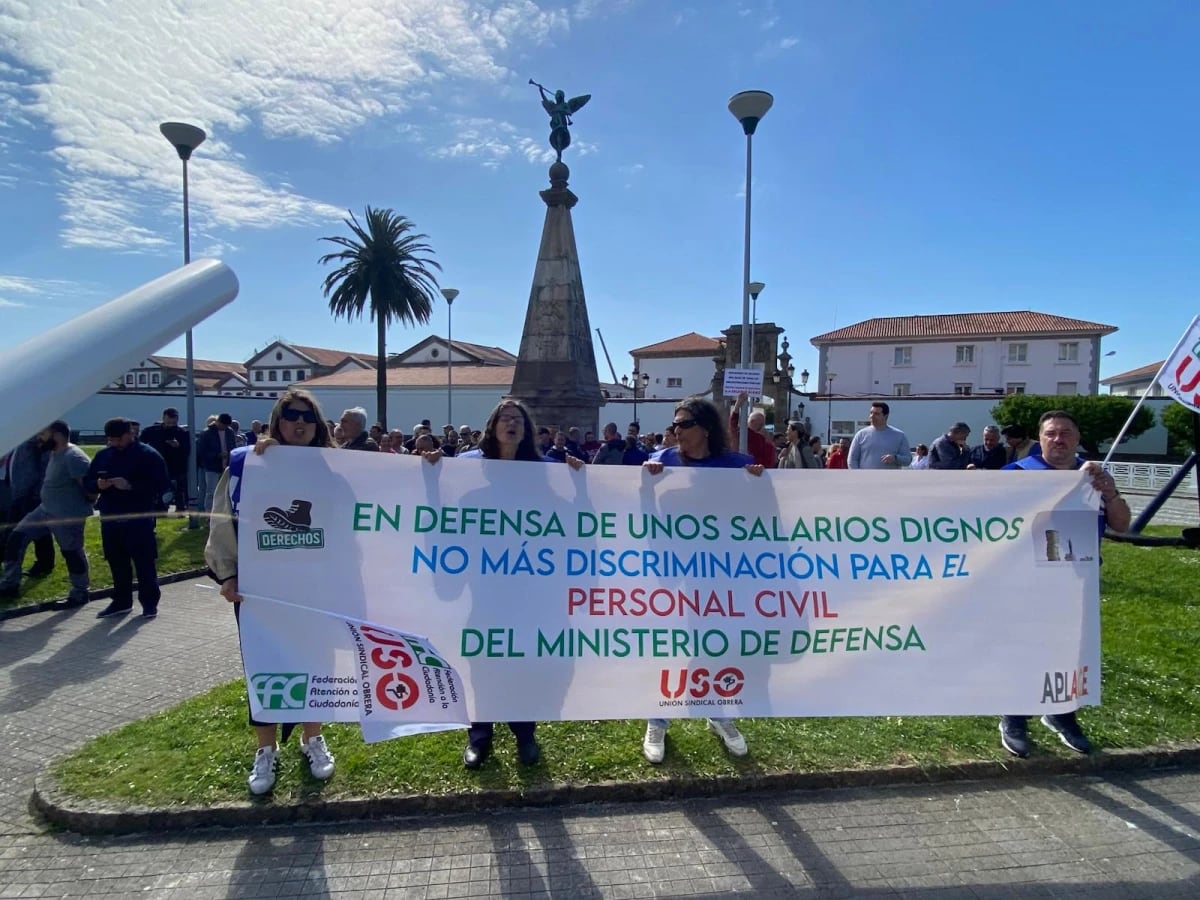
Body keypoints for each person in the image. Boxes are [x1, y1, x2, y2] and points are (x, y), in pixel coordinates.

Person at [204, 389, 339, 795]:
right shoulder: (247, 463)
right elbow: (222, 519)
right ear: (278, 420)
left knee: (315, 662)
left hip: (317, 586)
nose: (300, 423)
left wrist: (430, 467)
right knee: (263, 665)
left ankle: (312, 738)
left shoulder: (334, 466)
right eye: (291, 415)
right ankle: (266, 748)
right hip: (260, 588)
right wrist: (227, 574)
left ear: (318, 425)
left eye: (308, 417)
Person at [443, 398, 584, 770]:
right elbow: (446, 509)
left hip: (530, 586)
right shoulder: (467, 468)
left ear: (526, 430)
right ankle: (479, 736)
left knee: (523, 660)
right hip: (485, 585)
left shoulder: (545, 470)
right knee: (483, 660)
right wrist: (430, 471)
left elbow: (570, 517)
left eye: (518, 419)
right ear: (493, 427)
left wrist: (579, 481)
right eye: (505, 418)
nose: (512, 423)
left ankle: (525, 734)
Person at [997, 409, 1131, 760]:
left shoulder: (1093, 476)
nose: (1059, 440)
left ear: (1077, 438)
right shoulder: (1017, 474)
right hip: (1027, 580)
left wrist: (1110, 493)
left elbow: (1122, 524)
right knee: (1024, 646)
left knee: (1071, 649)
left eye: (1066, 433)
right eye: (1051, 433)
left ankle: (1061, 712)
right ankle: (1015, 716)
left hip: (1077, 580)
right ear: (1040, 439)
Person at [641, 398, 765, 764]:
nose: (675, 430)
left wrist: (758, 485)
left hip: (719, 573)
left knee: (714, 644)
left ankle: (717, 712)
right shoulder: (661, 461)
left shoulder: (737, 465)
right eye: (674, 424)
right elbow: (638, 511)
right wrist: (645, 484)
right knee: (670, 645)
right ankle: (657, 719)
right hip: (671, 571)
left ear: (705, 428)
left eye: (684, 424)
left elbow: (757, 517)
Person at [0, 421, 92, 606]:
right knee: (16, 539)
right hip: (44, 510)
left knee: (72, 553)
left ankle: (80, 593)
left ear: (56, 434)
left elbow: (90, 490)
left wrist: (79, 507)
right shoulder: (52, 453)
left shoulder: (74, 457)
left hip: (66, 515)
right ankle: (9, 585)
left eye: (42, 434)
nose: (39, 438)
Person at [86, 418, 169, 619]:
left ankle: (149, 603)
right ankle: (121, 601)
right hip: (110, 515)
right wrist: (98, 485)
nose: (115, 443)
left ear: (130, 434)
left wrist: (130, 485)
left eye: (119, 439)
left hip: (138, 516)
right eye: (111, 440)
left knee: (144, 561)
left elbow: (161, 484)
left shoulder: (148, 455)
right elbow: (88, 480)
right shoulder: (104, 455)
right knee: (116, 561)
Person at [0, 434, 55, 575]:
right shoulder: (19, 439)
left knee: (34, 530)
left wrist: (36, 492)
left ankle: (44, 563)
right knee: (14, 529)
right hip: (19, 491)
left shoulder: (34, 440)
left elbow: (40, 468)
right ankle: (43, 563)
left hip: (30, 493)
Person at [142, 407, 193, 514]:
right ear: (163, 419)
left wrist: (178, 446)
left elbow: (187, 450)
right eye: (168, 422)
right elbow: (141, 444)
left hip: (176, 465)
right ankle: (160, 508)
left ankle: (180, 509)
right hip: (158, 464)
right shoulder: (152, 431)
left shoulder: (182, 432)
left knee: (179, 489)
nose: (170, 425)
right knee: (159, 488)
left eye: (173, 423)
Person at [848, 402, 911, 469]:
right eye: (871, 413)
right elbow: (852, 459)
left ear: (885, 416)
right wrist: (857, 474)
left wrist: (895, 458)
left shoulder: (899, 435)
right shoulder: (861, 435)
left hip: (889, 475)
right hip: (865, 475)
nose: (872, 416)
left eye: (876, 414)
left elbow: (908, 460)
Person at [197, 413, 236, 517]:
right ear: (218, 422)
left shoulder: (229, 432)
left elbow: (233, 446)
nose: (225, 428)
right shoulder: (206, 433)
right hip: (212, 467)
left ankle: (224, 511)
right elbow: (202, 452)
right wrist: (217, 455)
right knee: (211, 491)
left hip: (227, 466)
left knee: (226, 491)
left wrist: (230, 454)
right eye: (223, 425)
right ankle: (209, 513)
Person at [728, 392, 778, 469]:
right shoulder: (742, 433)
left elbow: (769, 461)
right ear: (752, 421)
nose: (762, 425)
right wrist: (737, 406)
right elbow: (733, 425)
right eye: (760, 423)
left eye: (763, 423)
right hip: (742, 468)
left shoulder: (763, 438)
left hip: (757, 470)